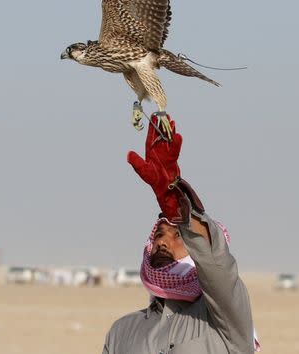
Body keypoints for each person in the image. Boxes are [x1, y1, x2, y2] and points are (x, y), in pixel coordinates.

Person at [102, 115, 259, 354]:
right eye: (159, 235)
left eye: (178, 236)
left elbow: (217, 265)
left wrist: (176, 206)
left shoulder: (225, 320)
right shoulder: (122, 332)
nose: (163, 242)